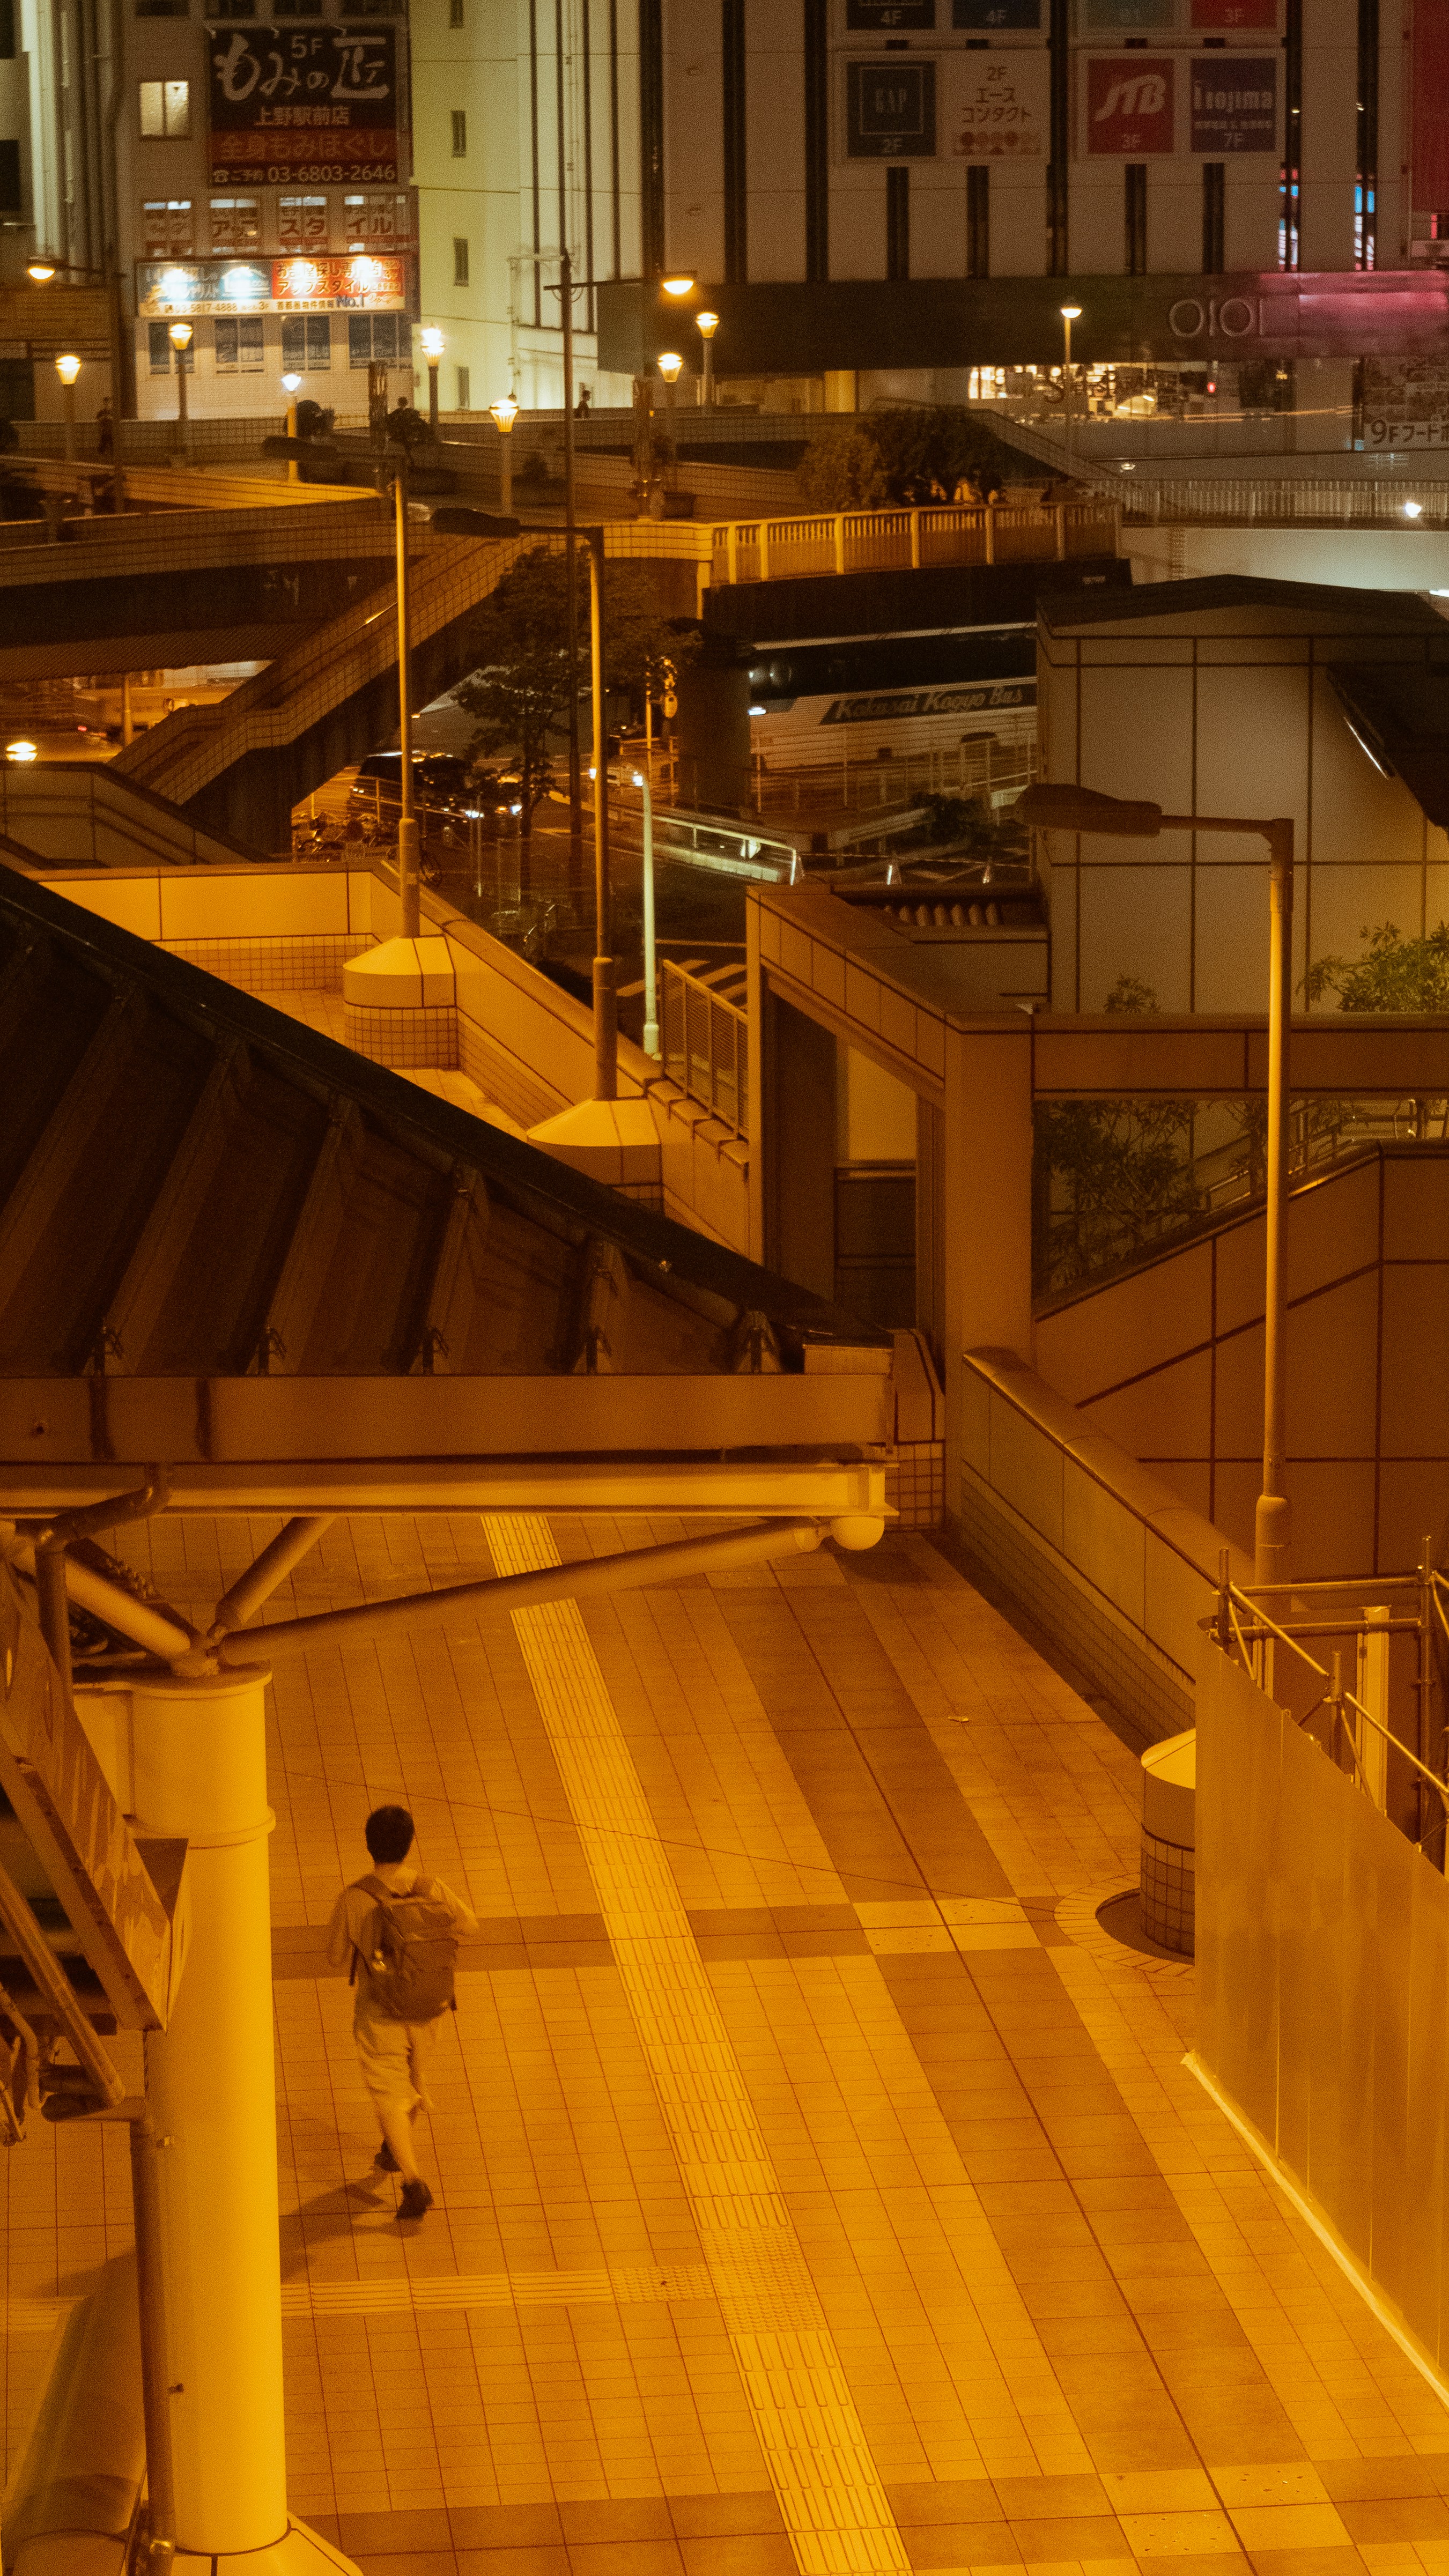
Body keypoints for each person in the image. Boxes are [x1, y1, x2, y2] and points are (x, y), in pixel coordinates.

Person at [326, 1804, 478, 2220]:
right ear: (409, 1845)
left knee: (390, 2091)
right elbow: (469, 1925)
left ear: (369, 1846)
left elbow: (336, 1957)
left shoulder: (356, 1897)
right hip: (430, 2008)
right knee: (411, 2079)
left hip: (381, 2012)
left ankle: (413, 2180)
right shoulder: (431, 1886)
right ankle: (394, 2147)